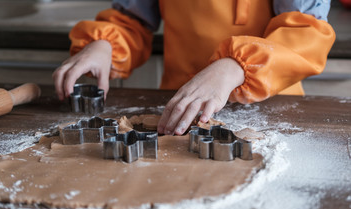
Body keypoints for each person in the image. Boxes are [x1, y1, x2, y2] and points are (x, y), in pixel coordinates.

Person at [52, 0, 335, 135]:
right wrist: (105, 45)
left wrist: (236, 67)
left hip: (271, 112)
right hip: (180, 112)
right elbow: (132, 21)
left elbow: (305, 33)